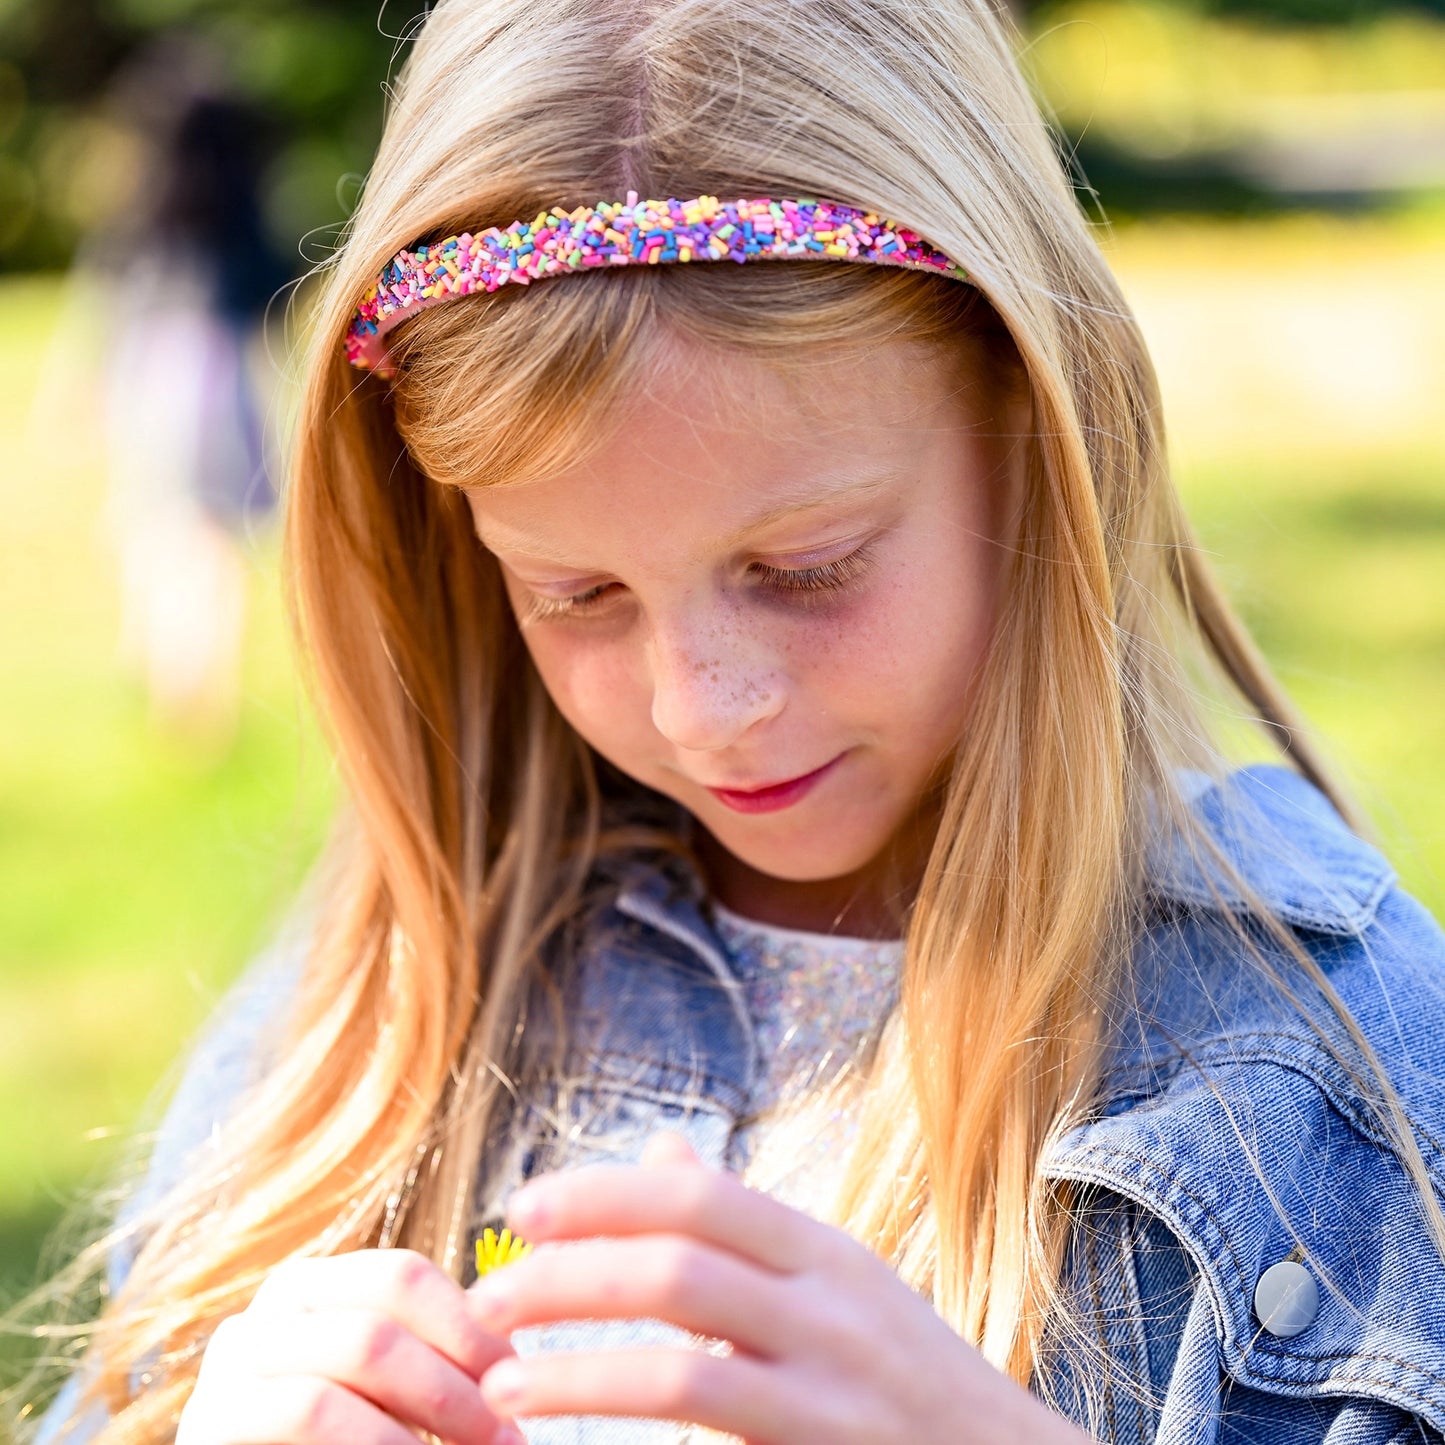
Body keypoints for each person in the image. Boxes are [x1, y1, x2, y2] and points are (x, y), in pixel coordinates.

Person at [22, 0, 1445, 1441]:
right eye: (574, 591)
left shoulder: (1333, 1075)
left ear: (1034, 425)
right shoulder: (382, 1011)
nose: (703, 707)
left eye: (803, 568)